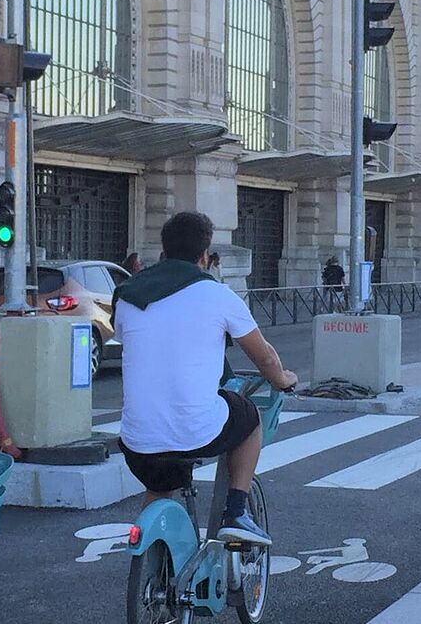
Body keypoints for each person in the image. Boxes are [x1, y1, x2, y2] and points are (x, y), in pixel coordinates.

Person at [113, 212, 298, 545]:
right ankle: (237, 512)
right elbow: (265, 357)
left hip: (136, 443)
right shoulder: (218, 295)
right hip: (197, 433)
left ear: (163, 252)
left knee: (160, 487)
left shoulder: (127, 295)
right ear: (204, 256)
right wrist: (282, 379)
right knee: (249, 418)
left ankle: (157, 573)